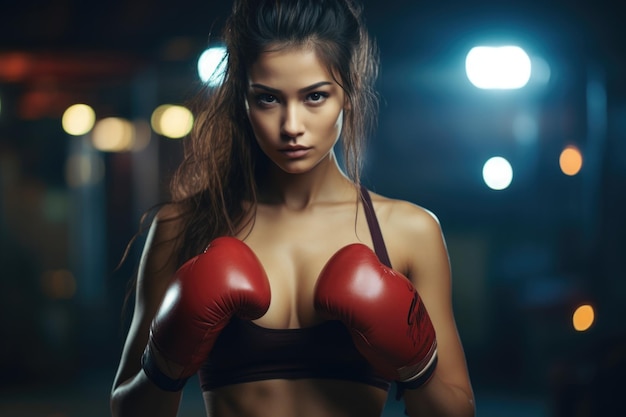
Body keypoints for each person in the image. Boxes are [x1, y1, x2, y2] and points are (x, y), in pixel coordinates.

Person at [110, 0, 475, 416]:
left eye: (315, 96)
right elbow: (127, 410)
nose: (291, 126)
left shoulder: (408, 232)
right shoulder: (182, 227)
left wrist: (418, 366)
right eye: (268, 99)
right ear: (241, 101)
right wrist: (164, 363)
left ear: (349, 91)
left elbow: (458, 411)